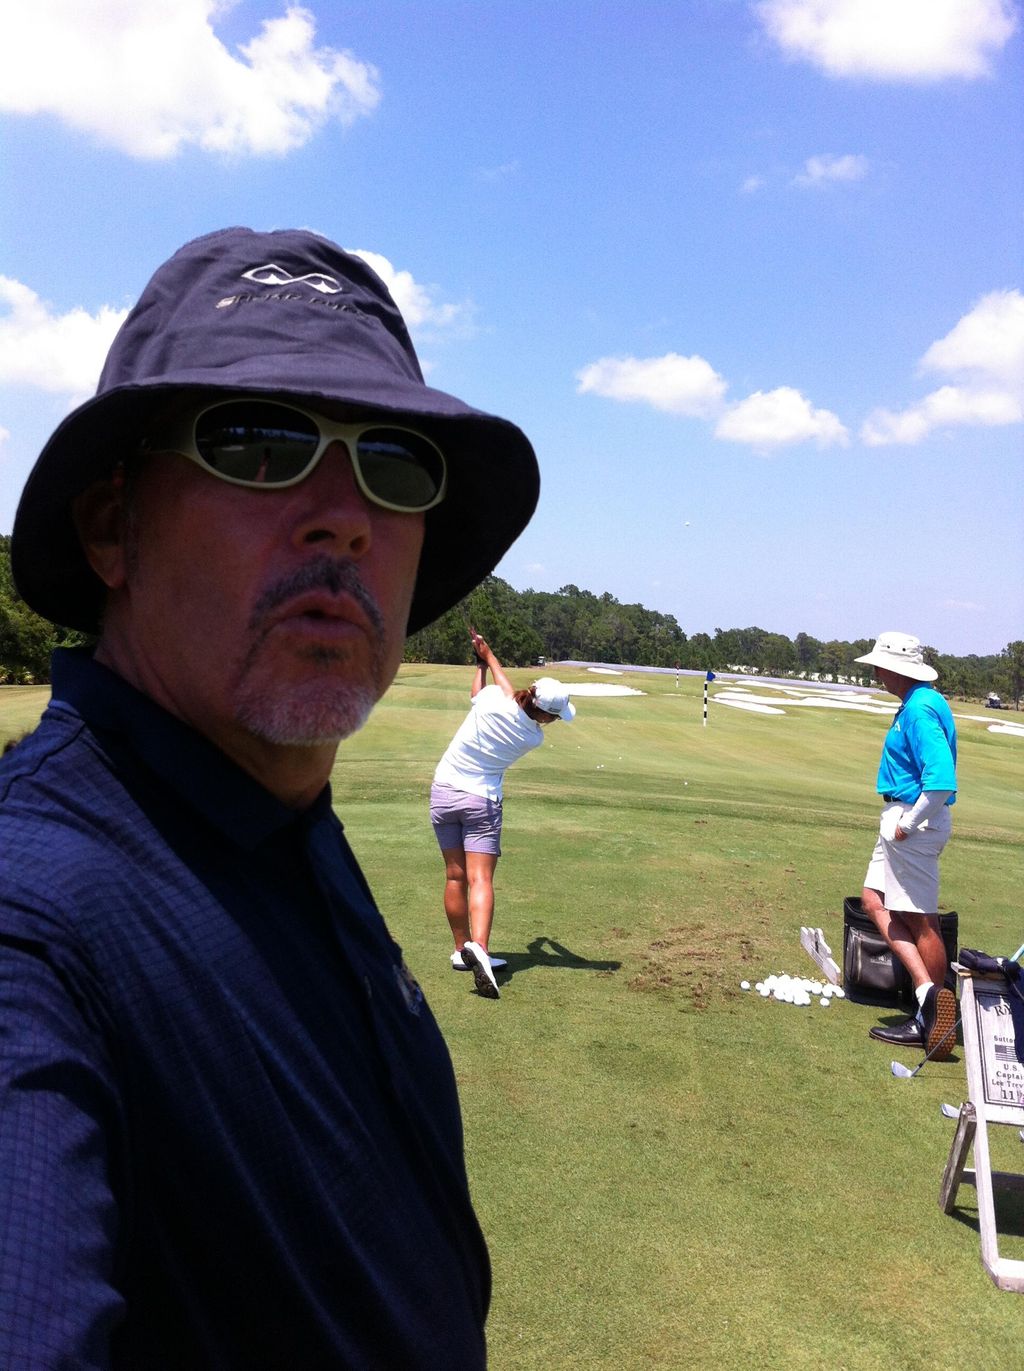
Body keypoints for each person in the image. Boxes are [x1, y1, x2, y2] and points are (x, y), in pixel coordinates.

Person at [0, 227, 540, 1369]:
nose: (344, 515)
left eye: (396, 464)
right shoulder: (27, 919)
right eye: (259, 443)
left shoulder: (279, 818)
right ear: (112, 526)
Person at [430, 629, 575, 999]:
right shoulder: (533, 737)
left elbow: (484, 694)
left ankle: (463, 950)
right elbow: (510, 698)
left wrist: (486, 659)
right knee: (480, 880)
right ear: (546, 717)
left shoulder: (493, 700)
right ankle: (479, 946)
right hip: (481, 800)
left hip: (443, 792)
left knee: (454, 876)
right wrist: (488, 659)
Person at [854, 632, 958, 1058]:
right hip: (904, 818)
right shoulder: (919, 703)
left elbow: (941, 780)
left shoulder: (919, 710)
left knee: (920, 920)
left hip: (912, 820)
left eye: (879, 666)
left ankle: (935, 1019)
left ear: (896, 668)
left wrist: (908, 824)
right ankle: (928, 996)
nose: (876, 673)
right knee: (873, 900)